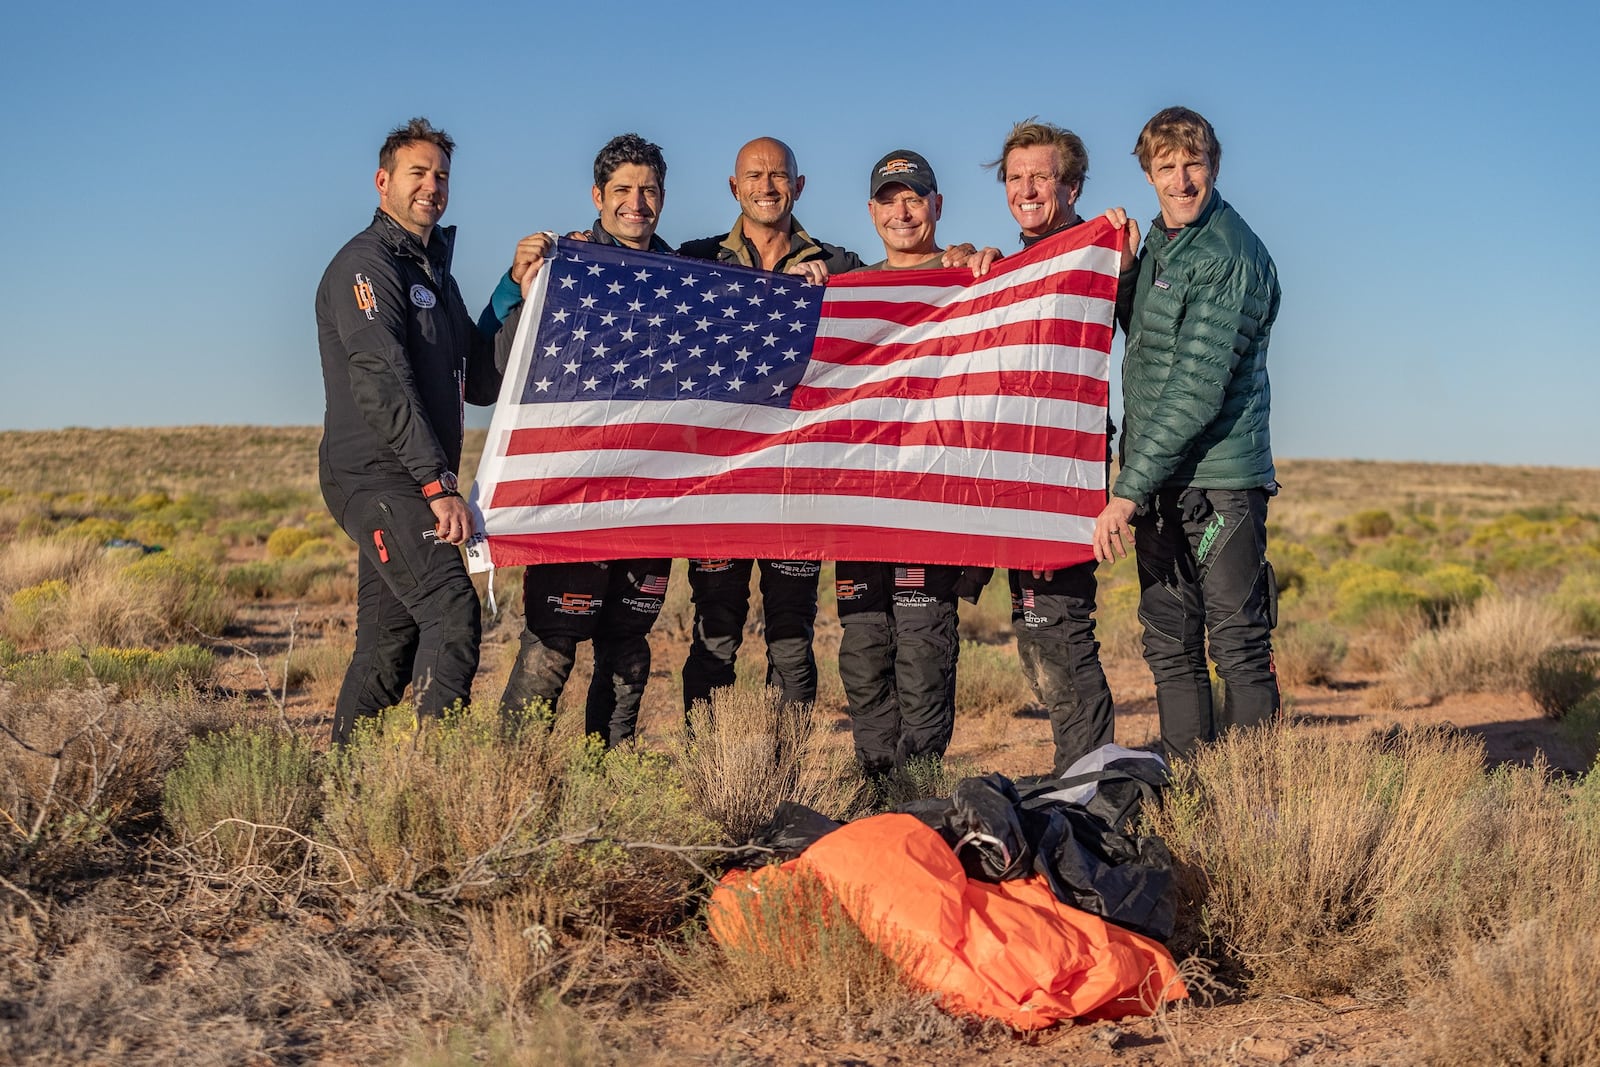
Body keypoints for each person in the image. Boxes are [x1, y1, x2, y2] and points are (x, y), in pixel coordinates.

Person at [315, 117, 521, 745]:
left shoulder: (436, 274)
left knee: (388, 647)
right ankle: (436, 781)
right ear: (383, 182)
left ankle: (344, 788)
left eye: (441, 175)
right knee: (451, 611)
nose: (432, 185)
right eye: (417, 173)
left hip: (412, 479)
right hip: (378, 476)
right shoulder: (366, 265)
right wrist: (437, 485)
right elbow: (380, 377)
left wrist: (517, 289)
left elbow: (479, 380)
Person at [1094, 107, 1282, 759]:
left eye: (1193, 163)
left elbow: (1196, 387)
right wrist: (1121, 273)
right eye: (1166, 166)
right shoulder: (1160, 246)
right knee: (1170, 639)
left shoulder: (1229, 254)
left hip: (1221, 482)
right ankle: (1189, 788)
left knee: (1237, 644)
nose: (1182, 180)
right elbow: (1145, 343)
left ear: (1215, 165)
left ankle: (1249, 803)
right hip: (1162, 480)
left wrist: (1125, 488)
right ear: (1148, 174)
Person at [483, 134, 676, 748]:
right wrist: (515, 284)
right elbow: (492, 366)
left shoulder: (684, 273)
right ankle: (508, 781)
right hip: (573, 491)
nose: (635, 202)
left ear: (663, 198)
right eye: (622, 189)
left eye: (647, 190)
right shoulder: (562, 262)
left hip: (649, 494)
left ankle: (609, 782)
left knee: (628, 653)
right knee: (552, 647)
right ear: (598, 196)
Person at [673, 138, 865, 717]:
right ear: (734, 187)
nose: (766, 185)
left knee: (791, 641)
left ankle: (784, 782)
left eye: (778, 175)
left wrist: (954, 254)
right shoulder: (693, 259)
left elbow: (907, 288)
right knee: (715, 638)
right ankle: (712, 780)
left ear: (798, 186)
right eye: (753, 175)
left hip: (796, 485)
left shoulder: (841, 265)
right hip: (719, 482)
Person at [835, 149, 987, 780]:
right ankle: (875, 799)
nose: (903, 211)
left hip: (931, 509)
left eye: (915, 197)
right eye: (890, 199)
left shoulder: (972, 281)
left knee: (924, 661)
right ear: (872, 211)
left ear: (937, 207)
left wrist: (979, 261)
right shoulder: (846, 289)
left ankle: (918, 797)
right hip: (861, 508)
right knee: (864, 656)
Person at [984, 119, 1117, 775]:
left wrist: (1120, 247)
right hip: (1013, 473)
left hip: (1065, 469)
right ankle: (1078, 769)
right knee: (1033, 624)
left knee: (1062, 624)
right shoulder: (1008, 268)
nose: (1027, 188)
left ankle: (1091, 777)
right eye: (1015, 177)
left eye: (1041, 175)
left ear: (1070, 184)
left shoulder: (1095, 256)